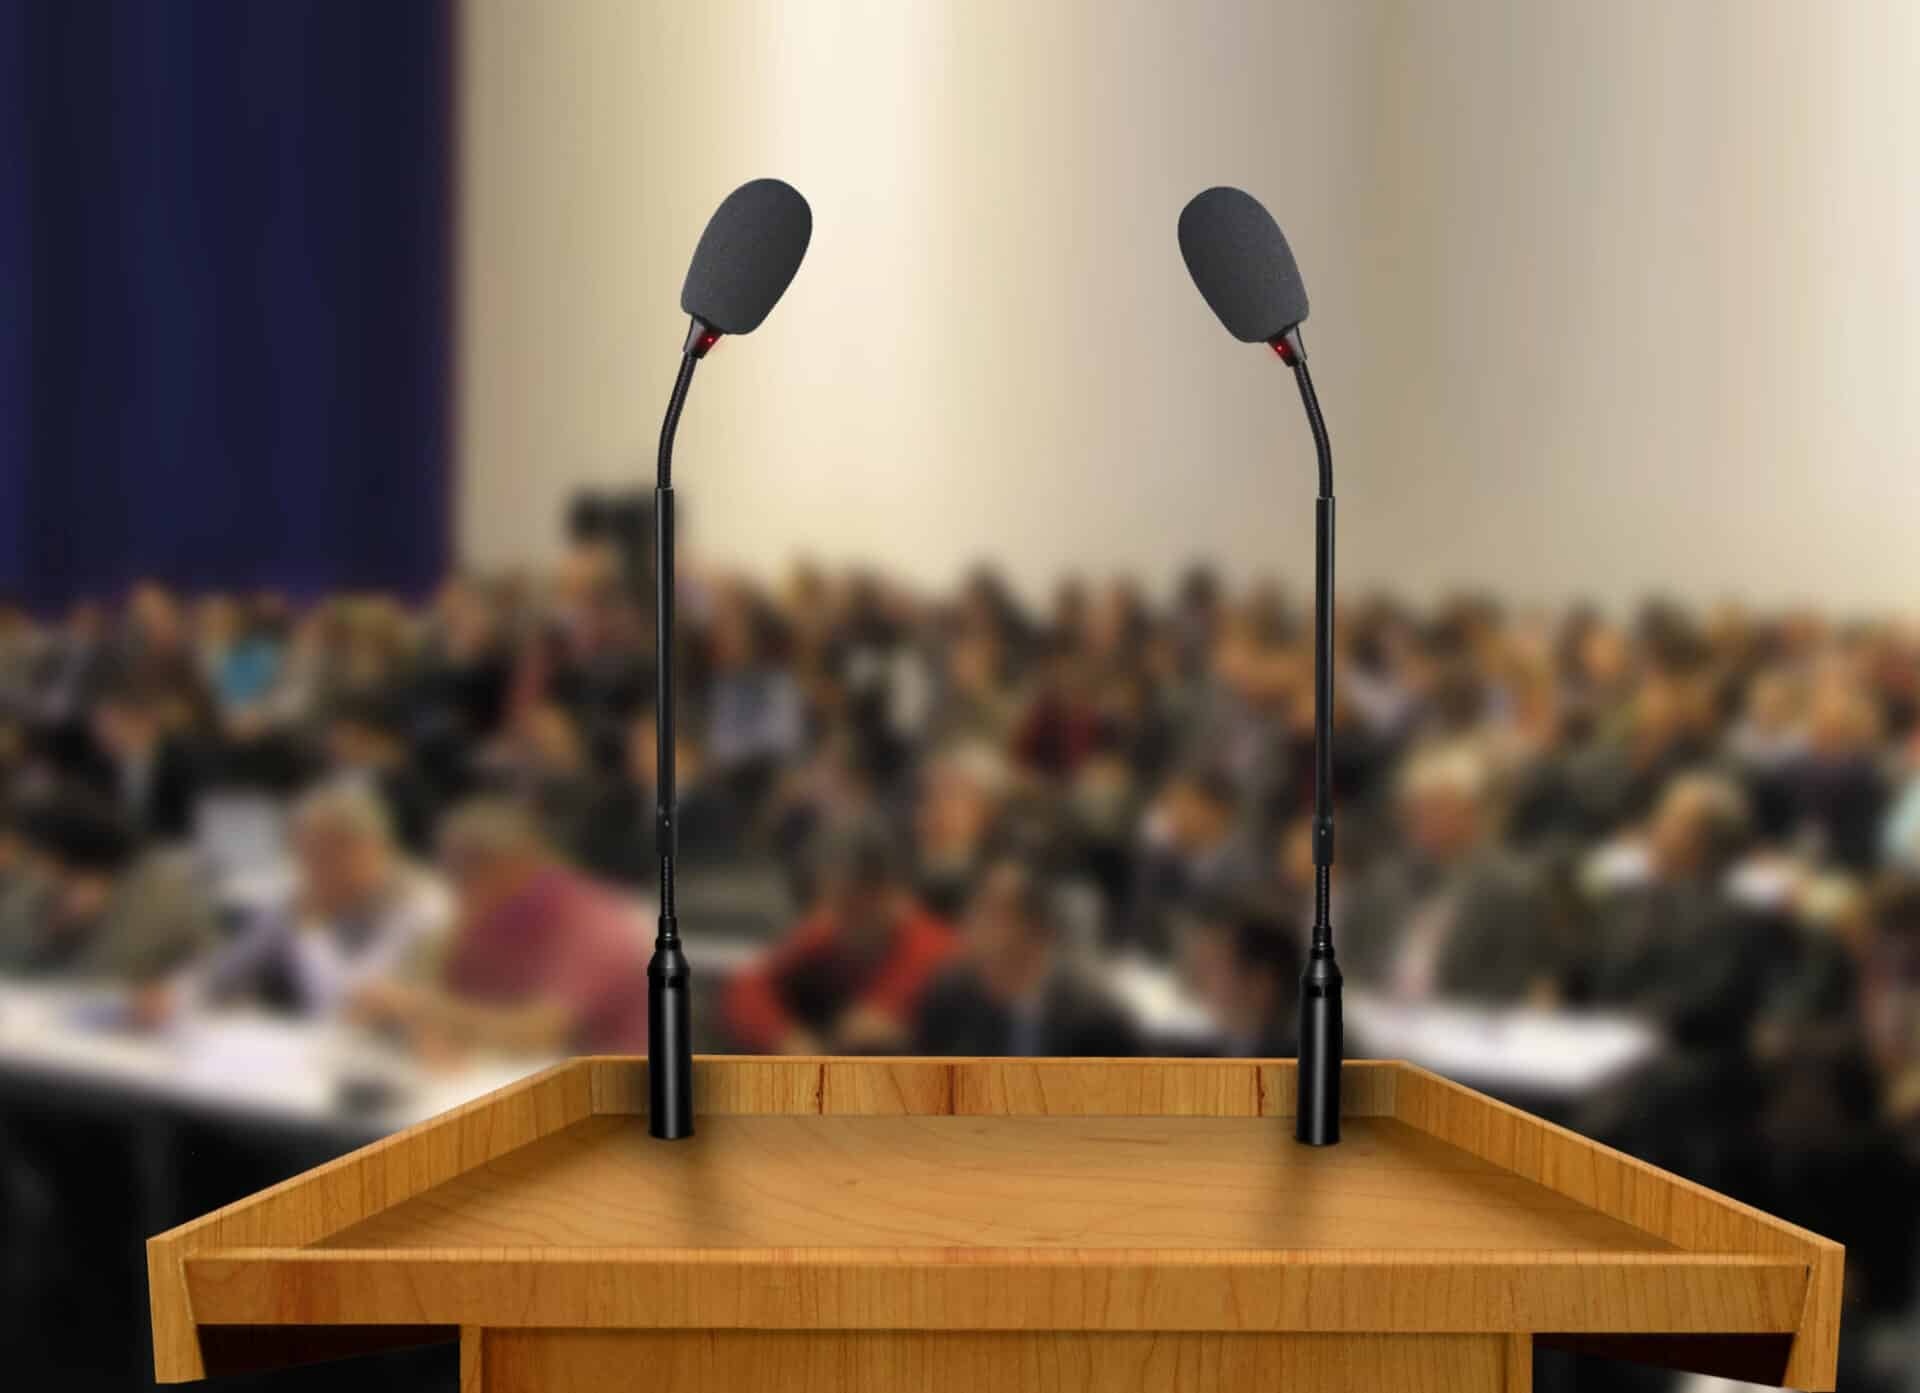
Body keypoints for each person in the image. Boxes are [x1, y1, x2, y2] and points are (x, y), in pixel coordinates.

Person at [351, 798, 650, 1055]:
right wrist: (403, 1010)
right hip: (499, 1076)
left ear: (514, 865)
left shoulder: (592, 921)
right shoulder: (487, 906)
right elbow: (434, 986)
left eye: (465, 870)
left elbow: (539, 1035)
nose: (454, 885)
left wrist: (418, 1007)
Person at [193, 784, 451, 1018]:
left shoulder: (418, 903)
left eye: (323, 856)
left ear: (369, 850)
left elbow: (342, 1006)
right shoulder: (307, 894)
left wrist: (312, 928)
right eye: (305, 856)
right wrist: (181, 995)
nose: (311, 870)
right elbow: (225, 971)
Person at [1340, 743, 1560, 1005]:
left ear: (1473, 814)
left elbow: (1513, 980)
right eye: (1417, 810)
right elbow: (1354, 956)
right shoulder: (1385, 881)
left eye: (1439, 808)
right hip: (1380, 1017)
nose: (1425, 821)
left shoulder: (1513, 888)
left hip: (1468, 1025)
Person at [724, 818, 955, 1054]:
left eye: (847, 901)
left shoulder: (932, 947)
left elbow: (868, 1026)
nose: (829, 913)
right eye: (828, 898)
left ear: (883, 893)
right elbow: (748, 986)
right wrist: (783, 1037)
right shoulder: (828, 929)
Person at [913, 857, 1138, 1058]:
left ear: (1035, 927)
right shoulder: (949, 1005)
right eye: (975, 906)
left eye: (991, 910)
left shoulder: (1094, 1023)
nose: (973, 921)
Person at [0, 795, 215, 985]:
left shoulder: (155, 890)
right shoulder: (40, 886)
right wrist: (55, 927)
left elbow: (101, 977)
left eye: (36, 855)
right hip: (53, 1011)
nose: (29, 865)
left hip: (153, 1015)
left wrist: (83, 923)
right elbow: (10, 954)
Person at [86, 680, 202, 843]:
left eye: (109, 724)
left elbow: (188, 824)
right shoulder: (99, 765)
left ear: (139, 721)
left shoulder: (181, 763)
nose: (100, 732)